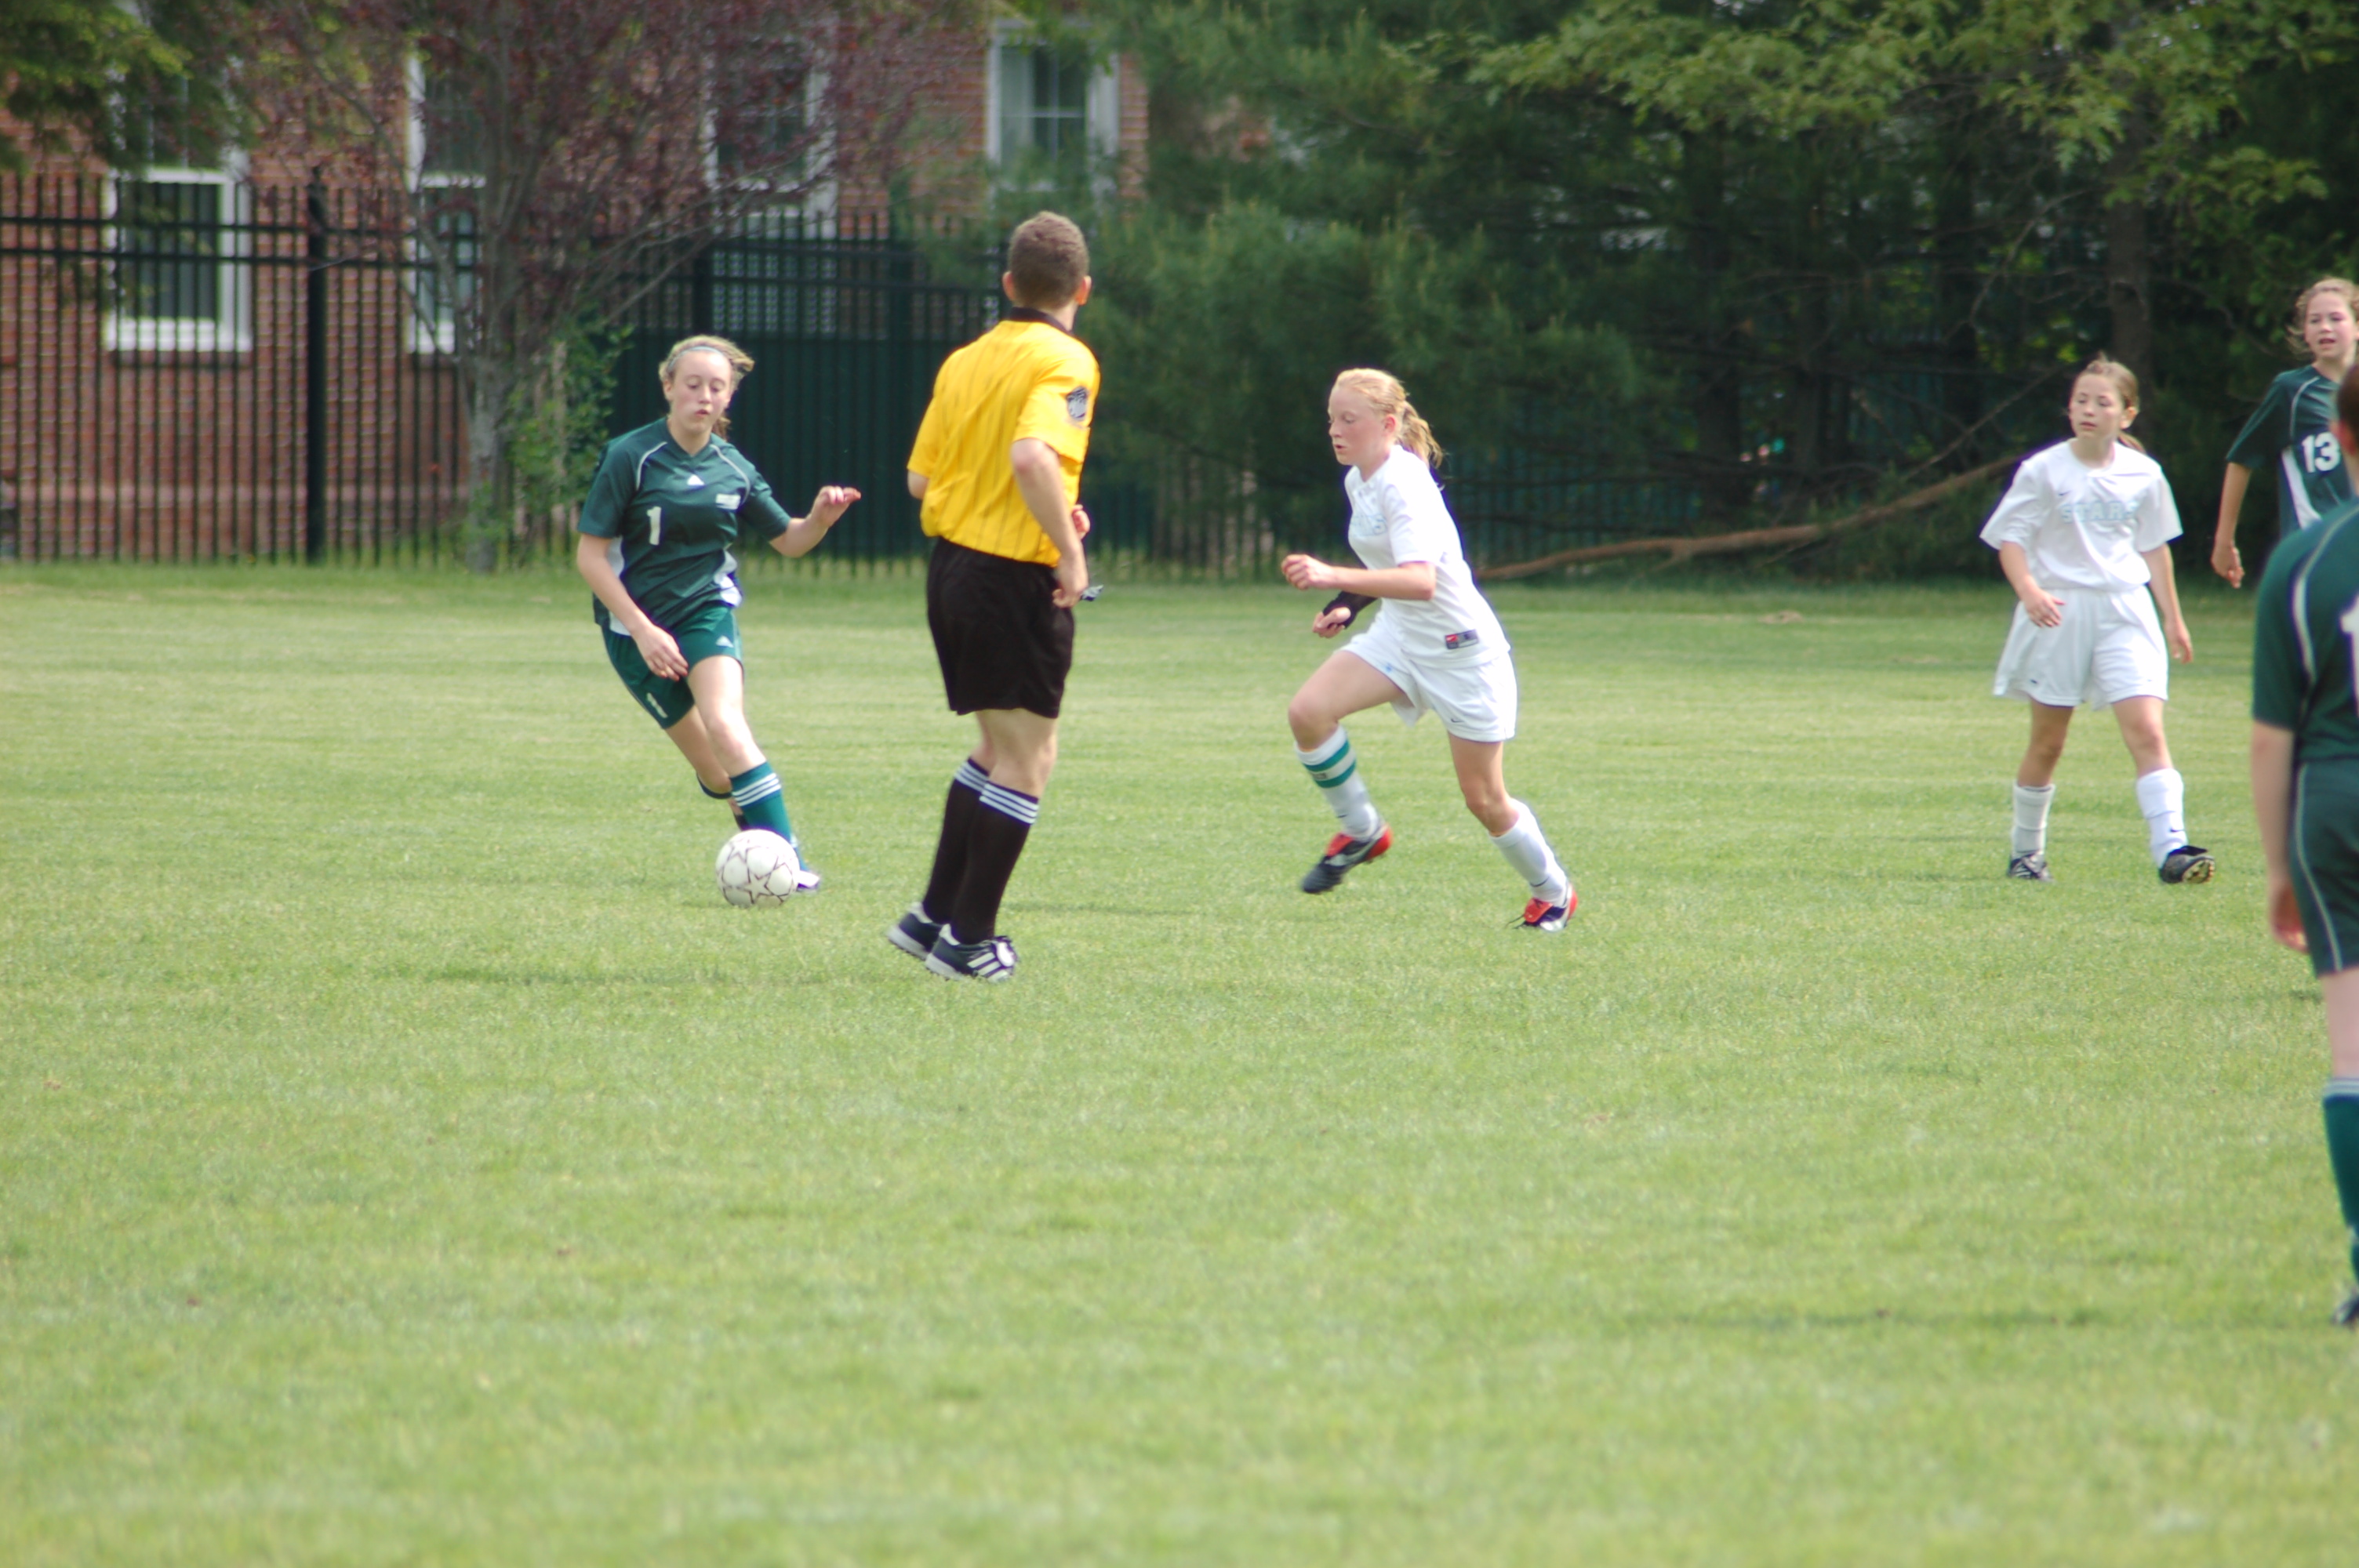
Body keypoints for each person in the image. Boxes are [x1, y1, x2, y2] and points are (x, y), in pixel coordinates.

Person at [1278, 368, 1576, 931]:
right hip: (1401, 636)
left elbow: (1421, 580)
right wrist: (1348, 602)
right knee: (1308, 713)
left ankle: (1553, 893)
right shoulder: (1360, 479)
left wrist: (1328, 574)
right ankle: (1362, 831)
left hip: (1461, 651)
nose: (1335, 431)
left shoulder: (1404, 484)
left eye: (1349, 420)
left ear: (1389, 425)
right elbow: (1386, 562)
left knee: (1485, 800)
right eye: (1332, 419)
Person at [886, 212, 1098, 982]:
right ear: (1082, 290)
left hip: (951, 570)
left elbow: (922, 479)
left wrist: (1049, 511)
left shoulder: (966, 359)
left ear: (1009, 283)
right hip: (1010, 579)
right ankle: (970, 940)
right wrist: (1070, 553)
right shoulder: (1066, 359)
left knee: (996, 749)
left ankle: (930, 919)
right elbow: (1031, 457)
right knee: (1030, 758)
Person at [576, 335, 858, 875]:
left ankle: (787, 865)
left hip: (705, 610)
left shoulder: (733, 466)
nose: (704, 396)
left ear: (729, 396)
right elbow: (590, 558)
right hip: (634, 629)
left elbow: (790, 540)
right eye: (693, 384)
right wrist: (643, 630)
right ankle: (758, 852)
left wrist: (820, 518)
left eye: (717, 387)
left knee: (727, 725)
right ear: (668, 387)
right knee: (719, 773)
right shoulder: (630, 456)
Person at [1982, 354, 2208, 884]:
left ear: (2127, 414)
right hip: (2059, 611)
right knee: (2049, 742)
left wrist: (2173, 619)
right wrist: (2030, 590)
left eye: (2102, 402)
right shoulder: (2043, 470)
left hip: (2125, 609)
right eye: (2080, 400)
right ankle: (2026, 854)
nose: (2088, 409)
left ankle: (2172, 849)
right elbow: (2011, 540)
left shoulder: (2144, 474)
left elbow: (2154, 549)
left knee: (2147, 729)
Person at [2248, 366, 2359, 1327]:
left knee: (2352, 1049)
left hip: (2333, 805)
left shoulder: (2300, 560)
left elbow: (2268, 740)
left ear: (2339, 440)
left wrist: (2279, 869)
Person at [2212, 278, 2358, 587]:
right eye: (2315, 320)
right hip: (2315, 551)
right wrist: (2224, 540)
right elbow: (2242, 460)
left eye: (2336, 318)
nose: (2325, 328)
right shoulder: (2292, 391)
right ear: (2304, 332)